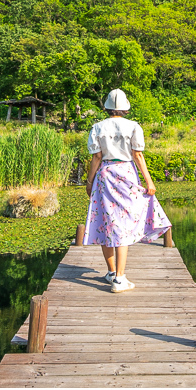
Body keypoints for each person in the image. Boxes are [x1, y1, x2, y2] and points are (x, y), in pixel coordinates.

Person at [82, 88, 172, 293]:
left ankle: (112, 273)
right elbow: (138, 155)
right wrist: (149, 182)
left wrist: (89, 182)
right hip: (126, 174)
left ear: (106, 107)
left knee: (106, 222)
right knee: (121, 223)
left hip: (105, 174)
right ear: (124, 109)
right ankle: (120, 279)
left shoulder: (97, 127)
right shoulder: (133, 126)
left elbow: (96, 157)